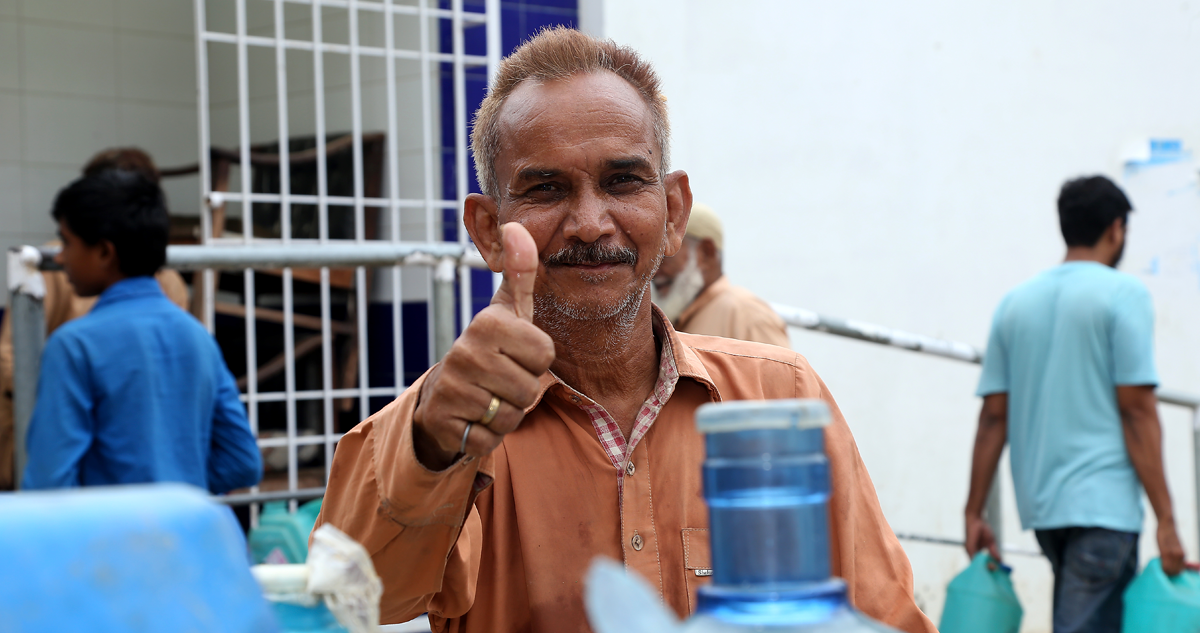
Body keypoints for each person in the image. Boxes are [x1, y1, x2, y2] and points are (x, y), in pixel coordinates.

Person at [314, 28, 934, 633]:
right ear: (487, 231)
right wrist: (430, 439)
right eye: (546, 188)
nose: (589, 223)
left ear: (674, 213)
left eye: (622, 181)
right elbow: (357, 597)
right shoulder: (450, 424)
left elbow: (886, 616)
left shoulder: (780, 398)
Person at [964, 175, 1184, 633]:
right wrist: (1167, 519)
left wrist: (973, 510)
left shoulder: (1015, 304)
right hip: (1104, 509)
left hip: (1045, 510)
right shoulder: (1123, 294)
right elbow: (1137, 411)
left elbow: (993, 419)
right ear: (1116, 229)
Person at [20, 168, 262, 493]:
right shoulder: (197, 336)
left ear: (105, 252)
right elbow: (243, 463)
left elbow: (48, 486)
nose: (60, 256)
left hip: (104, 540)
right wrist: (179, 486)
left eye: (67, 241)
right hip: (186, 537)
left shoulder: (73, 346)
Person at [0, 148, 189, 490]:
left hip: (135, 454)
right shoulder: (51, 269)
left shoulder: (170, 284)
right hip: (58, 439)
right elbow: (8, 358)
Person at [652, 202, 791, 348]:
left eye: (664, 256)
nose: (654, 271)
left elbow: (779, 370)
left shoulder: (747, 316)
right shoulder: (675, 319)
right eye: (651, 259)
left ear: (706, 253)